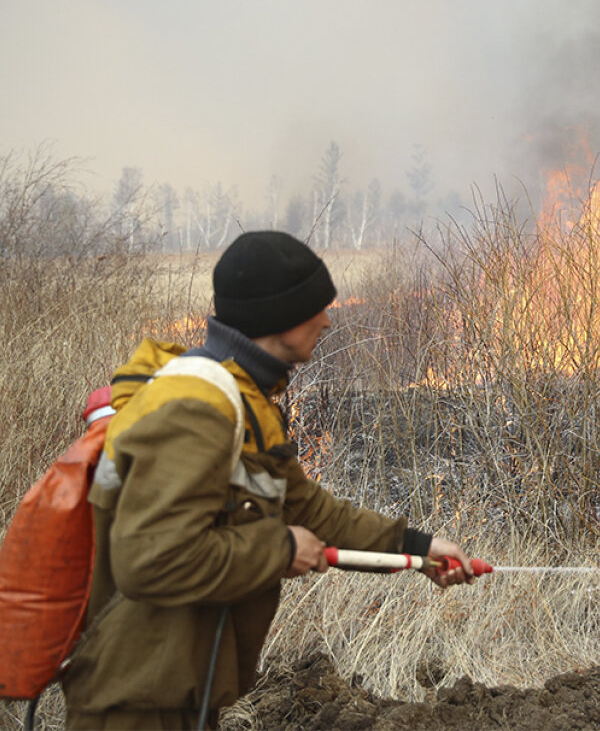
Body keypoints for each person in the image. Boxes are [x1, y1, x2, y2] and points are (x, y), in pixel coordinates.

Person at [61, 231, 473, 730]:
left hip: (177, 693)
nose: (326, 320)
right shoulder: (195, 407)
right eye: (317, 307)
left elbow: (310, 511)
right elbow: (150, 559)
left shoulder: (243, 399)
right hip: (136, 705)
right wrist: (278, 550)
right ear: (281, 317)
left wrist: (420, 548)